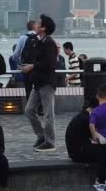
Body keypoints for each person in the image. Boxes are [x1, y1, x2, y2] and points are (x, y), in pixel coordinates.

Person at [21, 14, 58, 152]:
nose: (35, 25)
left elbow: (50, 64)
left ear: (43, 28)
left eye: (38, 23)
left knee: (48, 114)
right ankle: (41, 135)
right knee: (29, 110)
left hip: (47, 83)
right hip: (38, 82)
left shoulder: (49, 43)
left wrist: (32, 67)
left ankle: (50, 141)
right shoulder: (38, 41)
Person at [65, 99, 99, 163]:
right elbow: (98, 138)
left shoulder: (83, 115)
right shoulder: (87, 119)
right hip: (79, 154)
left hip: (74, 152)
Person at [12, 21, 36, 99]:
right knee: (38, 88)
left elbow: (16, 54)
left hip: (26, 66)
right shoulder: (39, 37)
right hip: (37, 67)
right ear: (35, 27)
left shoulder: (23, 37)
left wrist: (18, 62)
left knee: (28, 89)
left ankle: (30, 109)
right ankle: (40, 109)